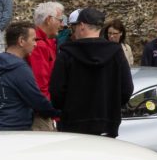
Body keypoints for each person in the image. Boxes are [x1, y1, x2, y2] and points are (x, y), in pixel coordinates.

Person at [48, 9, 134, 137]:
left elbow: (56, 91)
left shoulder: (66, 53)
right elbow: (127, 89)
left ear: (82, 25)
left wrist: (67, 108)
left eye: (75, 26)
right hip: (106, 123)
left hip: (73, 124)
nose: (74, 30)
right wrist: (111, 106)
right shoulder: (116, 52)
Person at [0, 23, 57, 131]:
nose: (35, 44)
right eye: (33, 40)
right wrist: (58, 112)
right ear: (21, 41)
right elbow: (38, 102)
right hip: (18, 132)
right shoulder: (21, 70)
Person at [29, 2, 66, 99]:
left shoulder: (49, 41)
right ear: (49, 20)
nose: (62, 25)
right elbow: (40, 84)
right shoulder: (39, 45)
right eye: (60, 20)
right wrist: (47, 106)